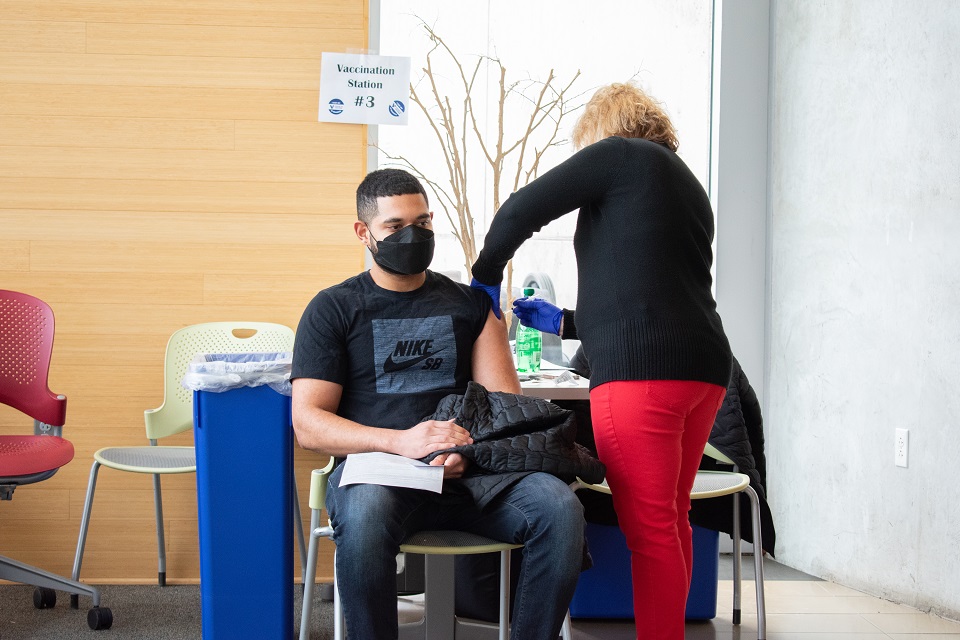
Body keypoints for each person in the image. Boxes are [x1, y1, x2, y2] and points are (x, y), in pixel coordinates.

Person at [470, 82, 733, 640]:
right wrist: (562, 324)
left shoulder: (615, 156)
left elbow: (524, 208)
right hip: (704, 370)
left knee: (650, 531)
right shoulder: (686, 185)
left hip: (642, 378)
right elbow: (646, 293)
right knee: (671, 519)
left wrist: (485, 275)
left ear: (599, 132)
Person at [291, 168, 585, 640]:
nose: (413, 235)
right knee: (363, 520)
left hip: (471, 473)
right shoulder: (334, 309)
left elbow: (503, 408)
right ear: (363, 233)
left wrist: (464, 453)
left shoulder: (472, 307)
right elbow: (308, 424)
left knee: (558, 508)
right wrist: (403, 444)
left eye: (423, 223)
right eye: (395, 226)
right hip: (380, 475)